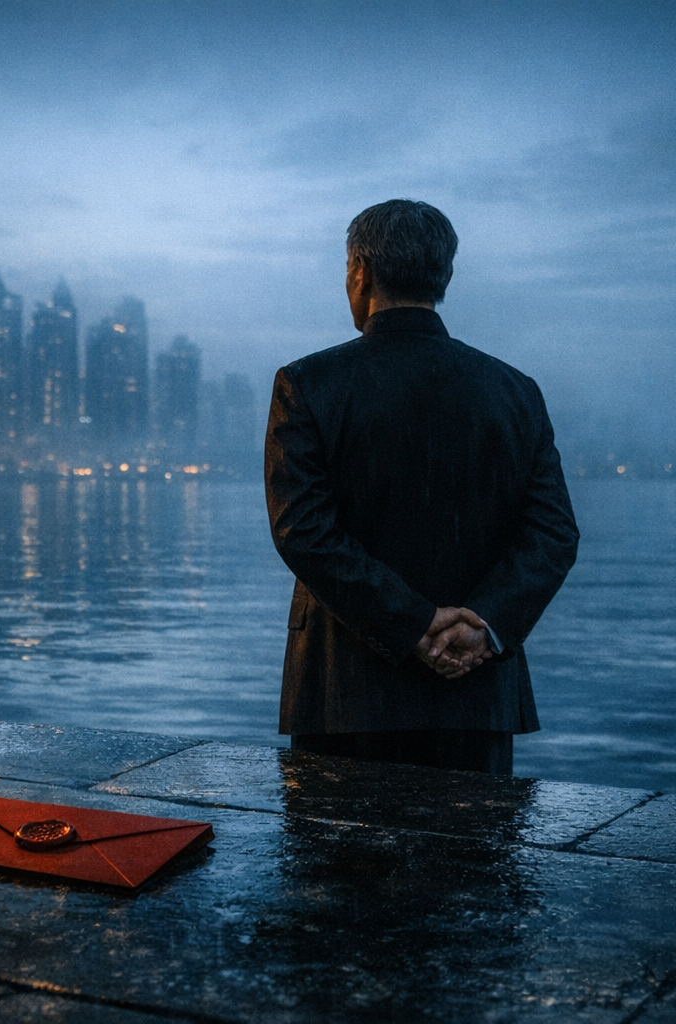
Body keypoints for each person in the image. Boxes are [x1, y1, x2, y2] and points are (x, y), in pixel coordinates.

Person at [264, 199, 579, 775]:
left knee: (336, 863)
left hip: (345, 694)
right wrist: (483, 623)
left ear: (360, 273)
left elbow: (303, 531)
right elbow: (554, 534)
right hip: (476, 694)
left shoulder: (308, 384)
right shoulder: (514, 391)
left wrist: (412, 624)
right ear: (444, 277)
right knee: (475, 859)